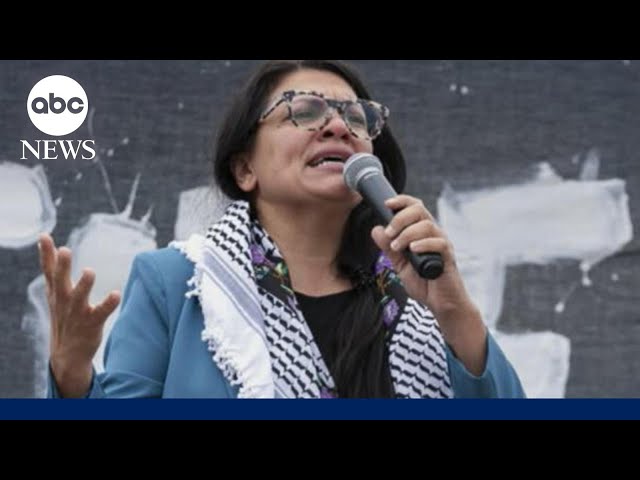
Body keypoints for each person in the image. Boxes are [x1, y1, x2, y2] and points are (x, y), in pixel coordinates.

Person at [41, 60, 525, 399]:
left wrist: (454, 312)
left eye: (357, 117)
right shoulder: (174, 283)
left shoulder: (418, 293)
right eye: (304, 111)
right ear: (244, 168)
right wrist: (70, 376)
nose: (339, 126)